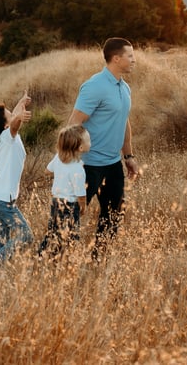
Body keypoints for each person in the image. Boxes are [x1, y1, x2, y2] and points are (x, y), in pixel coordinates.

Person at [69, 37, 141, 259]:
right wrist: (69, 163)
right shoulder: (94, 86)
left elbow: (123, 120)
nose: (134, 60)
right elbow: (73, 124)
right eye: (130, 56)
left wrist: (128, 155)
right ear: (116, 58)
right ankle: (49, 263)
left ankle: (98, 261)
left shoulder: (124, 87)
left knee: (112, 217)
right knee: (68, 218)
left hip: (112, 165)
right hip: (88, 166)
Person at [0, 91, 33, 271]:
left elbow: (12, 120)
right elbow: (14, 123)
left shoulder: (5, 138)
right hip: (4, 199)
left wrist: (21, 103)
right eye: (10, 115)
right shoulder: (8, 136)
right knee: (26, 236)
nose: (13, 115)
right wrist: (19, 116)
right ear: (5, 125)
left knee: (1, 241)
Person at [37, 124, 90, 259]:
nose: (91, 142)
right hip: (70, 206)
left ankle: (41, 256)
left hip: (56, 202)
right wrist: (83, 207)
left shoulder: (58, 158)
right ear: (81, 147)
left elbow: (47, 171)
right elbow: (81, 195)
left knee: (53, 231)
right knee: (71, 235)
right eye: (88, 140)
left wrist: (61, 174)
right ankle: (67, 261)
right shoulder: (78, 169)